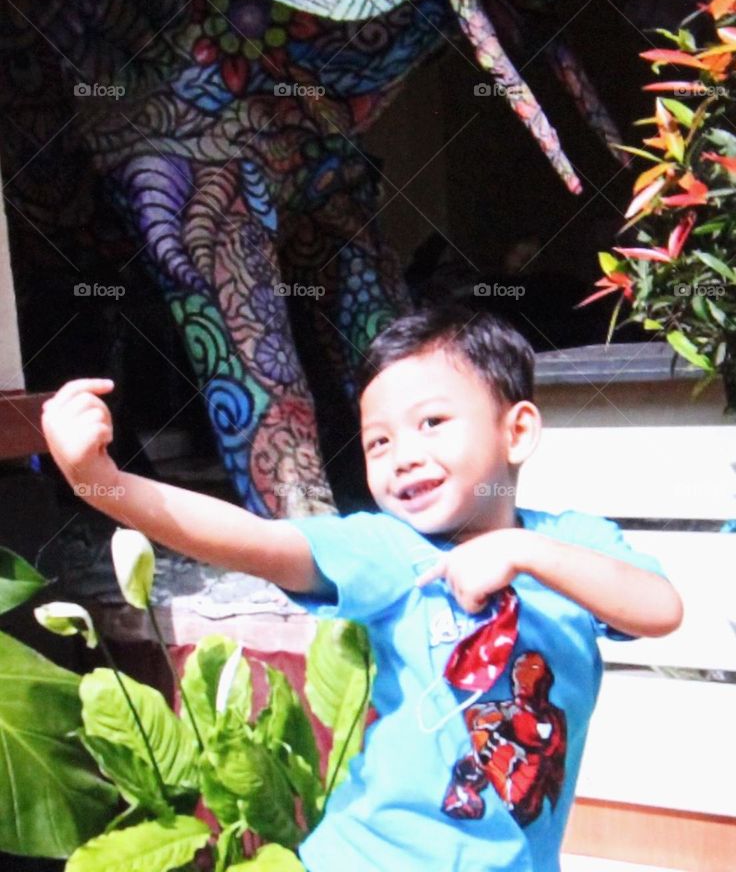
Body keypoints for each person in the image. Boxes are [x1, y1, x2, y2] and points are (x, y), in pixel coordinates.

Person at [41, 303, 683, 872]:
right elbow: (252, 539)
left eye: (432, 422)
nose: (402, 454)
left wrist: (522, 551)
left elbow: (660, 609)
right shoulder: (384, 549)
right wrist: (103, 482)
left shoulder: (571, 543)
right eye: (379, 441)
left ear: (515, 431)